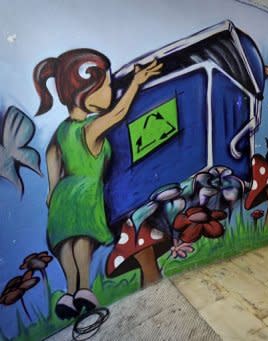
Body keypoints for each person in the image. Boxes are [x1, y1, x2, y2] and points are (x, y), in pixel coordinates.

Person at [33, 48, 162, 319]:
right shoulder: (89, 128)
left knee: (64, 244)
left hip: (63, 195)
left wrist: (52, 188)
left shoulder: (64, 129)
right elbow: (119, 114)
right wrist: (136, 84)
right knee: (82, 240)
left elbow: (52, 153)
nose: (110, 92)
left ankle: (69, 292)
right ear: (84, 93)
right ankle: (83, 289)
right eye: (106, 86)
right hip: (84, 192)